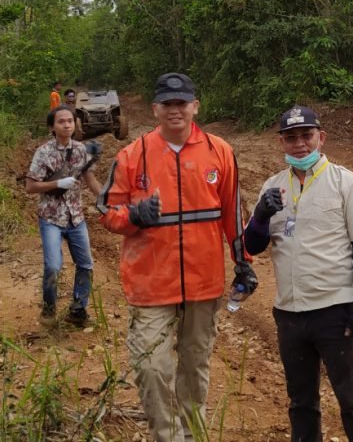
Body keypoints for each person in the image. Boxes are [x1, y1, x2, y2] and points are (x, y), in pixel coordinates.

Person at [98, 72, 256, 442]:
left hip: (204, 284)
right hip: (150, 284)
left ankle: (193, 435)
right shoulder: (131, 155)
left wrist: (243, 261)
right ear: (155, 109)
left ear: (195, 106)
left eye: (181, 103)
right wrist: (134, 217)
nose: (175, 110)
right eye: (167, 104)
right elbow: (107, 210)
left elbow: (232, 213)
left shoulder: (220, 152)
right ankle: (166, 437)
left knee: (194, 367)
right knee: (152, 368)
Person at [245, 105, 353, 442]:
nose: (300, 144)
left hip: (334, 310)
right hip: (289, 313)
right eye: (291, 138)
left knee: (352, 399)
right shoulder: (273, 187)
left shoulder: (345, 183)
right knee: (301, 402)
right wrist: (260, 216)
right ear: (282, 142)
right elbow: (252, 245)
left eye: (306, 136)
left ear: (321, 137)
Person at [25, 104, 103, 326]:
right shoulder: (44, 153)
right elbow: (30, 187)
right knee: (53, 266)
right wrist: (57, 183)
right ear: (52, 126)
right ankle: (49, 309)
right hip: (51, 218)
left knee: (86, 264)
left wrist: (105, 199)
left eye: (70, 120)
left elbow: (90, 179)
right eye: (62, 121)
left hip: (76, 217)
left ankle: (78, 310)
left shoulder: (81, 150)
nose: (67, 124)